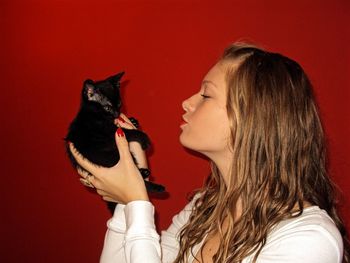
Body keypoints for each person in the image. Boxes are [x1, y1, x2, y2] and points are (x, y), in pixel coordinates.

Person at [69, 42, 349, 263]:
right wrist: (127, 203)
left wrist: (138, 202)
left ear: (251, 116)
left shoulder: (308, 239)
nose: (188, 102)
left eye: (206, 94)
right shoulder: (204, 208)